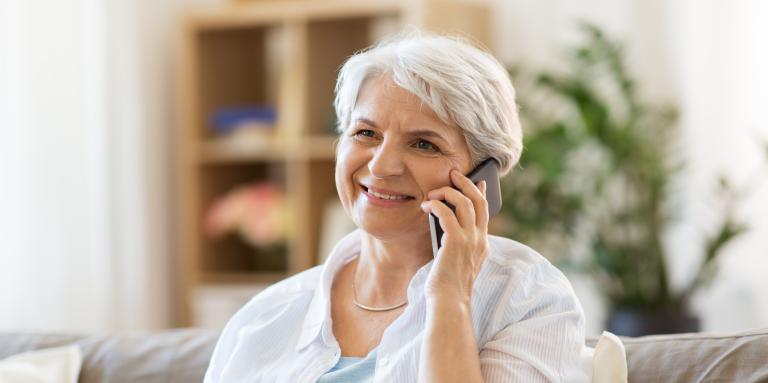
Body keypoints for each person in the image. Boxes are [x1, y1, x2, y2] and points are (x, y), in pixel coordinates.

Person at [204, 32, 592, 382]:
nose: (381, 166)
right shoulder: (265, 317)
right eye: (366, 133)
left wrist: (450, 298)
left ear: (482, 176)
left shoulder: (527, 299)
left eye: (424, 144)